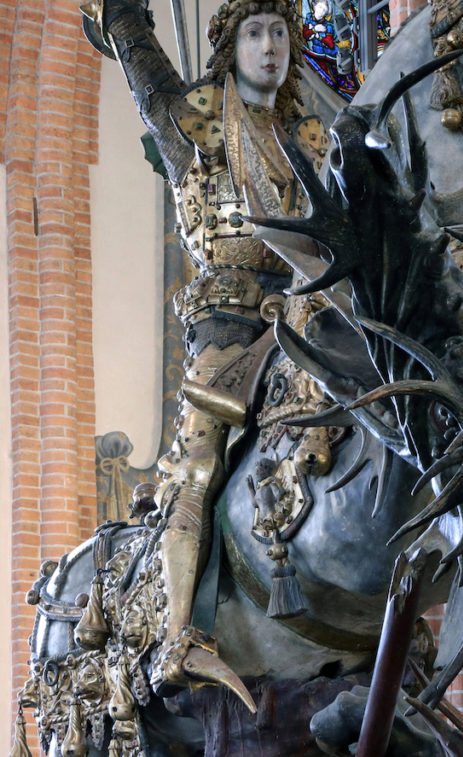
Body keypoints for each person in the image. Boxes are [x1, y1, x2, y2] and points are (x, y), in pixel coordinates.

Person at [81, 0, 324, 709]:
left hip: (305, 312)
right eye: (255, 33)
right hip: (226, 321)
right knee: (199, 463)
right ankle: (181, 633)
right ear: (231, 46)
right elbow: (144, 68)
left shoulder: (308, 127)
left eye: (280, 31)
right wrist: (120, 15)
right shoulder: (192, 120)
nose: (270, 47)